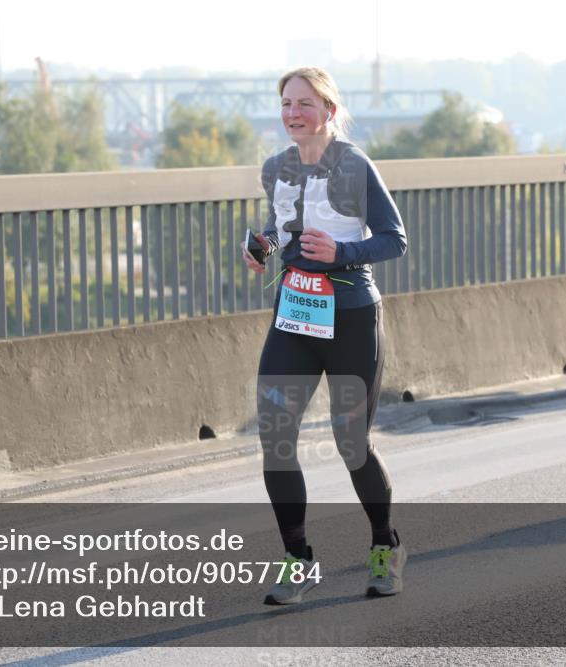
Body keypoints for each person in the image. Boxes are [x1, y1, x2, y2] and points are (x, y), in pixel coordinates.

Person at [240, 66, 408, 605]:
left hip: (351, 314)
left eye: (304, 103)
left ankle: (385, 546)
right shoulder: (275, 168)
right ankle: (299, 558)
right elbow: (284, 228)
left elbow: (394, 239)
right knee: (275, 435)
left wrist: (343, 253)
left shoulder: (355, 165)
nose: (293, 113)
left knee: (350, 442)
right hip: (295, 312)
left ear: (328, 110)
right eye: (286, 103)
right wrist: (262, 246)